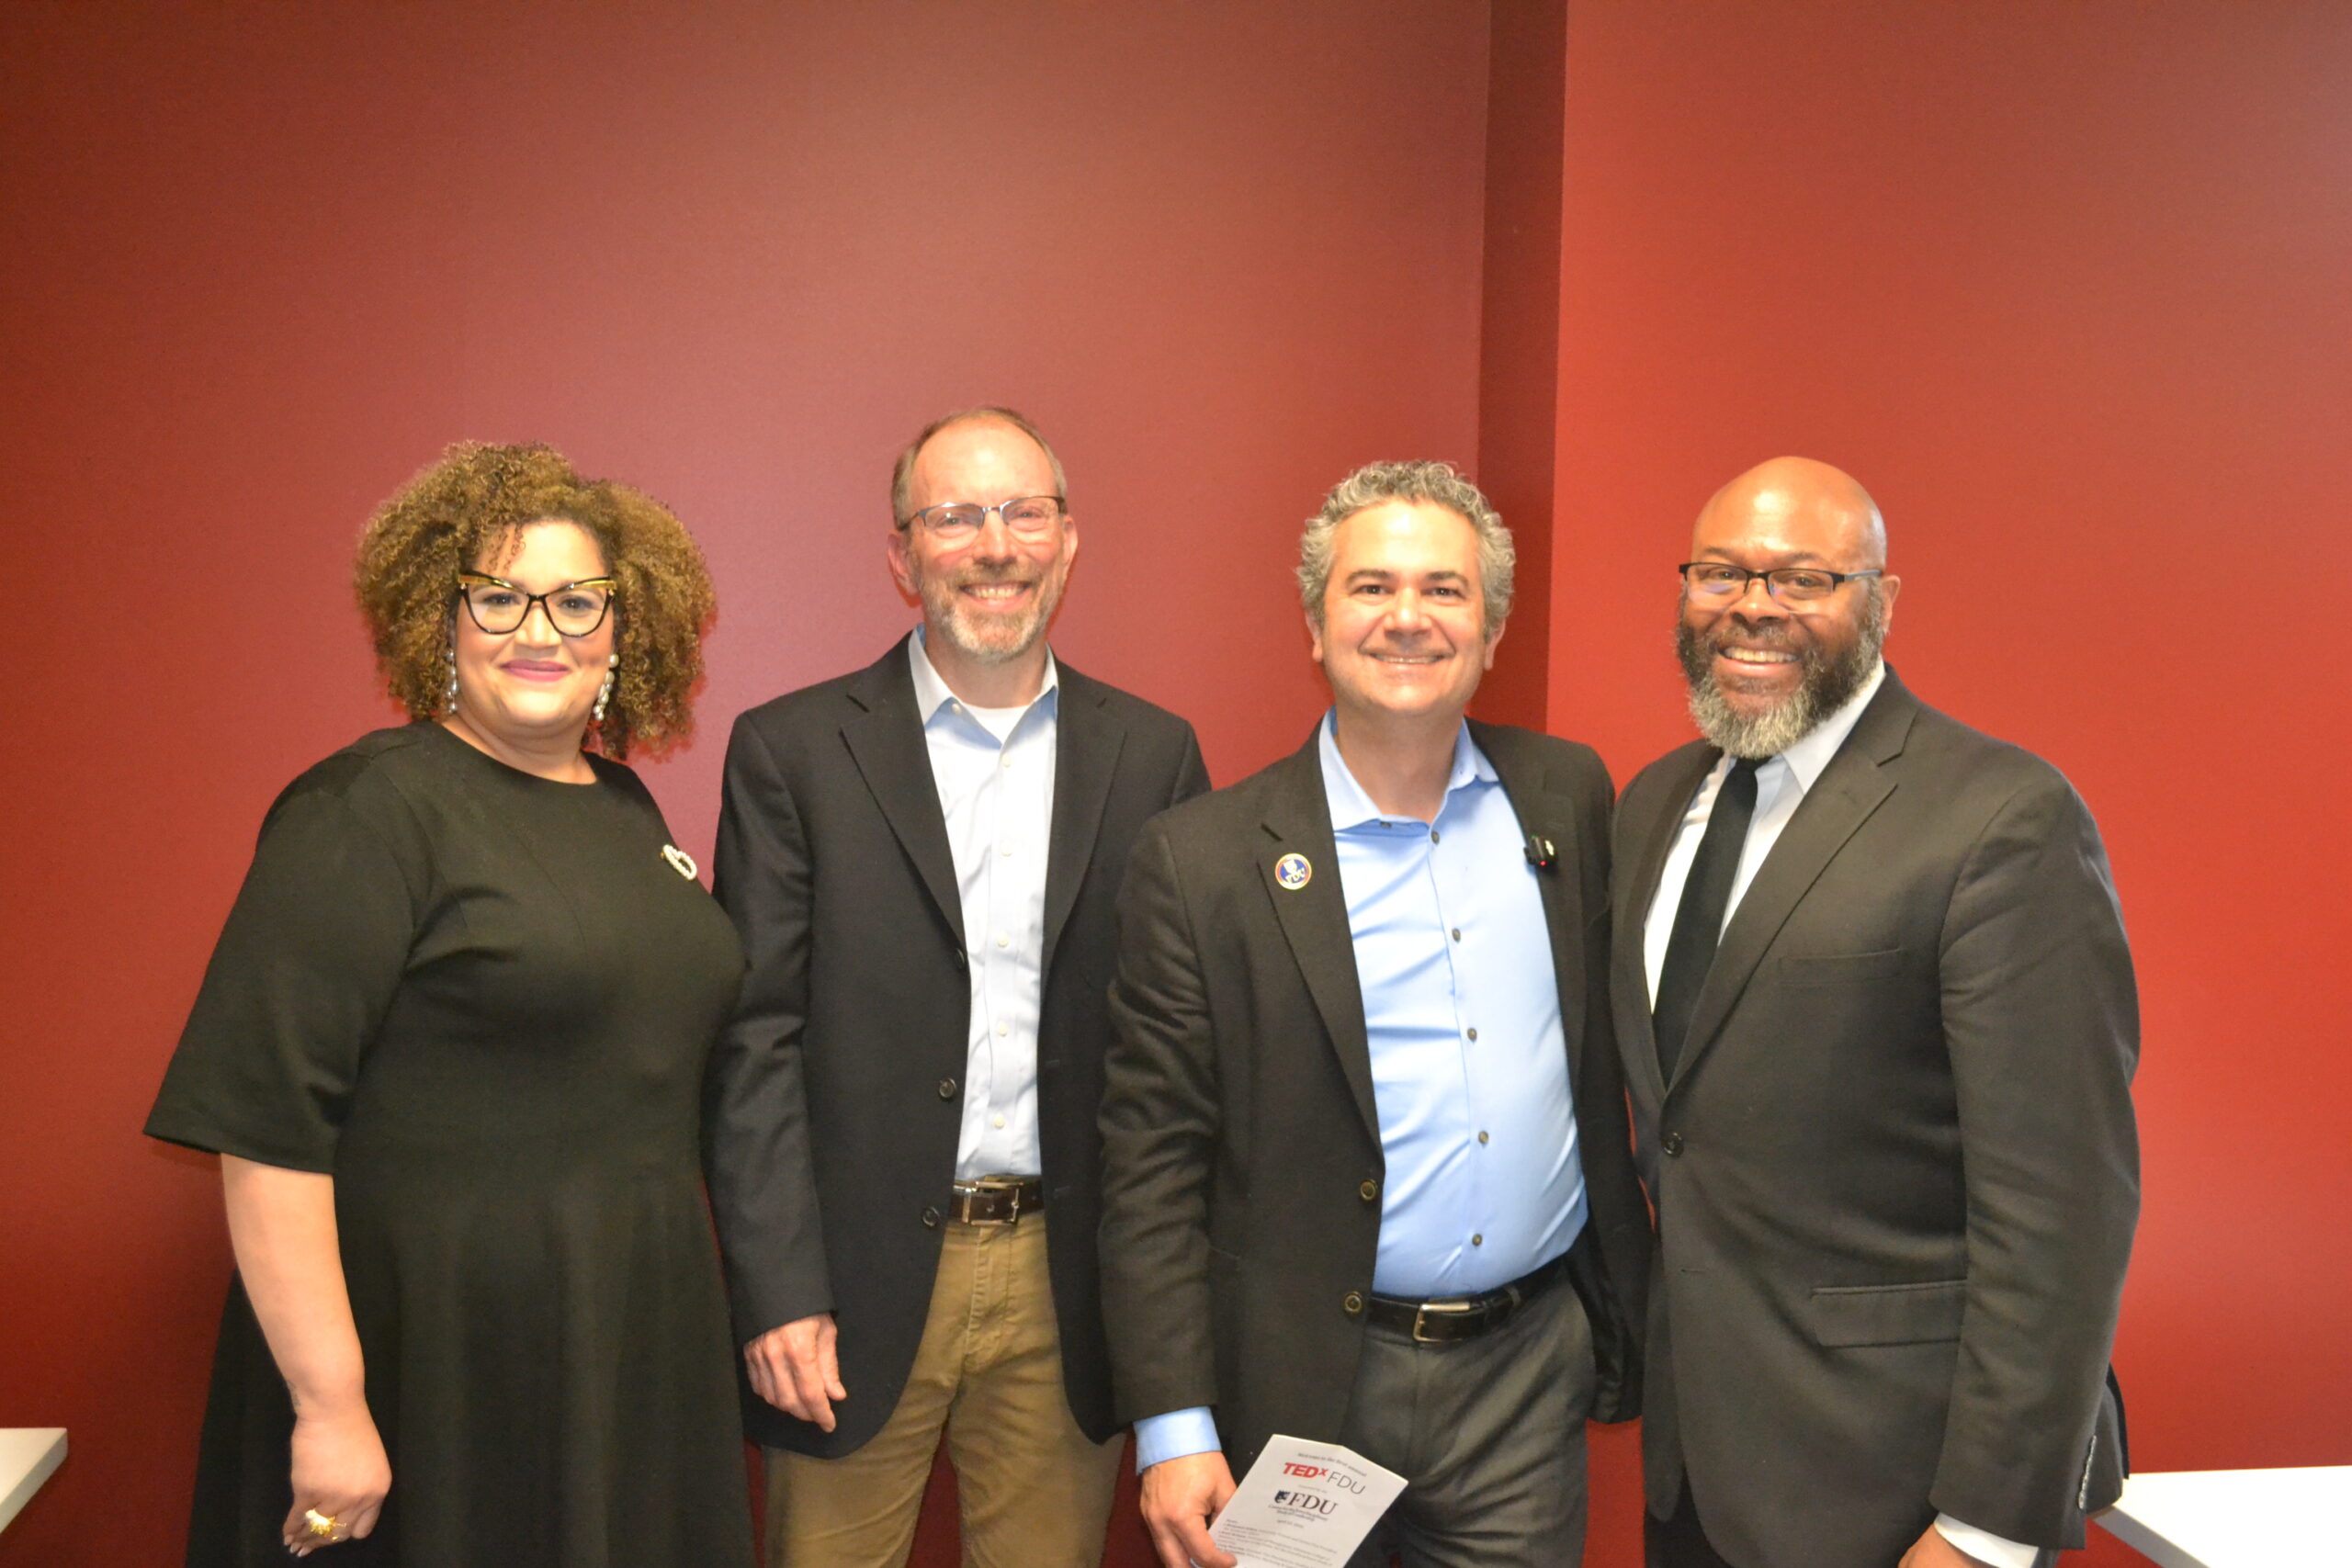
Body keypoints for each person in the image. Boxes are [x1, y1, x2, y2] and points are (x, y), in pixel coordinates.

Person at [145, 442, 754, 1566]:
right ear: (441, 618)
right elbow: (268, 1137)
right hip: (430, 1371)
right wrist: (331, 1409)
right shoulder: (364, 811)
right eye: (500, 599)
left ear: (625, 630)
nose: (540, 632)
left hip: (623, 1343)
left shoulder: (622, 807)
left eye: (577, 601)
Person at [1099, 460, 1651, 1568]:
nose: (1408, 618)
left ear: (1490, 628)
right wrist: (1172, 1422)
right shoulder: (1201, 861)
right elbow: (1149, 1165)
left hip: (1524, 1377)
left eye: (1444, 591)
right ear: (1315, 622)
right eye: (1371, 588)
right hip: (1305, 1381)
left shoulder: (1569, 799)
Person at [703, 406, 1210, 1568]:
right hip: (850, 1283)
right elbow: (754, 1041)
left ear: (1068, 541)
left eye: (1024, 513)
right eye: (955, 516)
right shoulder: (791, 751)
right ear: (901, 554)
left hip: (1065, 1283)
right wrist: (778, 1287)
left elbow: (1179, 1053)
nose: (994, 546)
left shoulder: (1155, 755)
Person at [1613, 457, 2138, 1568]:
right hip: (1700, 1475)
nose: (1753, 607)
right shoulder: (1655, 804)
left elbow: (2060, 1208)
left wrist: (1984, 1527)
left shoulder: (2000, 818)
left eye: (1804, 577)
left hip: (1902, 1493)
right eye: (1720, 573)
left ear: (1882, 601)